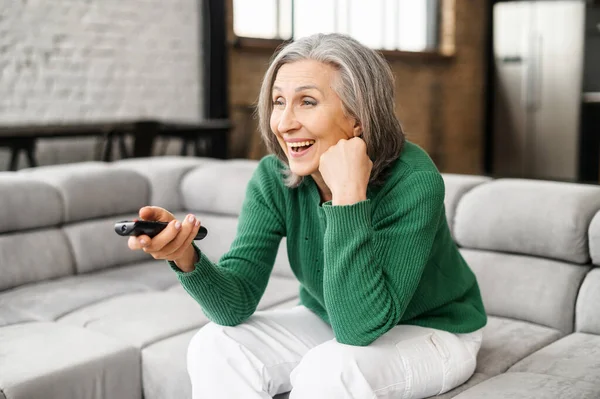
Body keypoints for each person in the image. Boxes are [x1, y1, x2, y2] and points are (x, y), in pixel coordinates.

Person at [128, 33, 487, 399]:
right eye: (278, 102)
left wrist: (348, 197)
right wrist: (185, 257)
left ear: (358, 117)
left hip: (435, 331)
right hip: (333, 316)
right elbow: (235, 305)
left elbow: (359, 329)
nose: (283, 123)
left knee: (330, 370)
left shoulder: (414, 180)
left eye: (307, 102)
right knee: (216, 344)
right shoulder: (274, 178)